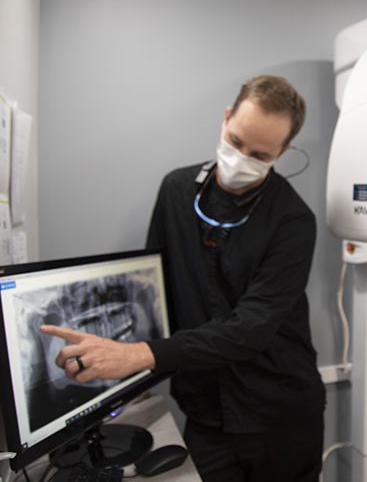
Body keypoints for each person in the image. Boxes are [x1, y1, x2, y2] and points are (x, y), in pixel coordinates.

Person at [41, 75, 326, 482]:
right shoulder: (177, 190)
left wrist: (142, 355)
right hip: (204, 410)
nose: (240, 158)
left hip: (277, 414)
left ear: (284, 152)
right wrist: (134, 373)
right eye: (236, 141)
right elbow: (153, 291)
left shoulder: (293, 220)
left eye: (260, 155)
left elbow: (250, 329)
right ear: (226, 117)